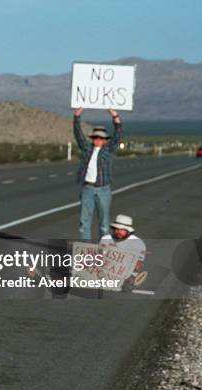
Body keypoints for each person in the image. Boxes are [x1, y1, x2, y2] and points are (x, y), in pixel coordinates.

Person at [74, 107, 123, 240]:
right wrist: (77, 116)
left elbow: (118, 135)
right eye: (95, 137)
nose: (98, 139)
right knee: (84, 223)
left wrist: (115, 116)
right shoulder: (86, 149)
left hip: (103, 189)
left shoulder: (108, 150)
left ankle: (104, 251)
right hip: (87, 189)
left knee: (104, 225)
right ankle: (86, 253)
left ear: (105, 139)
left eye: (101, 138)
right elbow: (78, 135)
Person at [100, 214, 147, 292]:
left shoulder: (138, 243)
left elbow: (139, 264)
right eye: (116, 229)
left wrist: (131, 276)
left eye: (122, 230)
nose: (118, 231)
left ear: (128, 231)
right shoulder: (105, 239)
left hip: (125, 273)